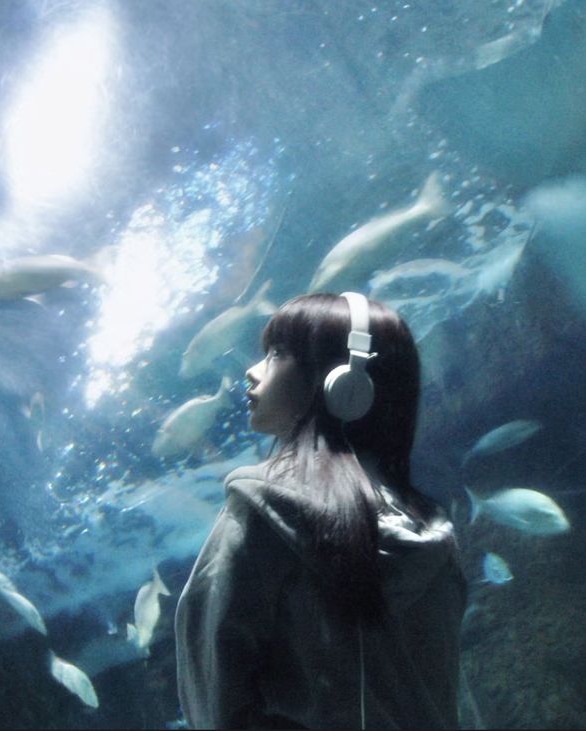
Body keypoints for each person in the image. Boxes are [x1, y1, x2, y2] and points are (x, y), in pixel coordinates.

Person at [174, 292, 466, 729]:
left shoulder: (263, 514)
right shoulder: (438, 539)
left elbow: (213, 689)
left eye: (278, 354)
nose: (252, 373)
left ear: (346, 381)